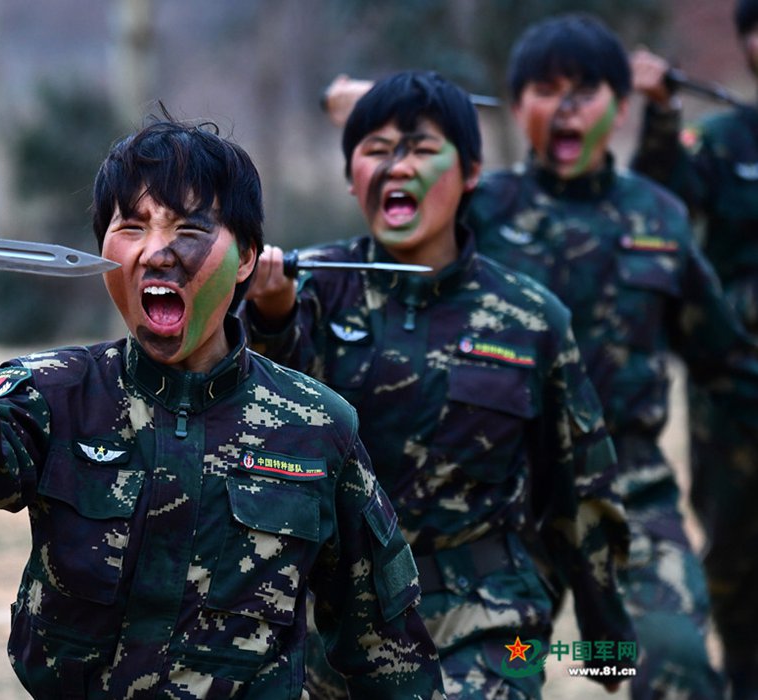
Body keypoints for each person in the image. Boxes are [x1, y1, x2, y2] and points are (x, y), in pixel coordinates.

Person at [0, 118, 446, 698]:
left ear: (246, 257)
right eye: (131, 226)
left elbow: (385, 645)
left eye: (189, 228)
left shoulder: (316, 426)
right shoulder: (55, 392)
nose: (156, 252)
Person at [242, 70, 633, 697]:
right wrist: (272, 319)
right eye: (375, 150)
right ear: (350, 178)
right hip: (334, 620)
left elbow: (580, 483)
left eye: (422, 149)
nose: (398, 167)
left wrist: (605, 626)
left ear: (471, 172)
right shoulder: (301, 291)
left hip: (485, 606)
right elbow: (254, 426)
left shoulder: (531, 318)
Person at [458, 13, 758, 698]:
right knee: (492, 678)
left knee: (671, 664)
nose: (565, 108)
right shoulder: (480, 214)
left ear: (621, 106)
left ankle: (609, 661)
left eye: (584, 91)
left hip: (629, 498)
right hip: (505, 503)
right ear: (517, 102)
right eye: (544, 88)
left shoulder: (656, 217)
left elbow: (728, 363)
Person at [629, 4, 758, 695]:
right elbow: (659, 200)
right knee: (736, 557)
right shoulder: (722, 144)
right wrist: (657, 111)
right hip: (733, 395)